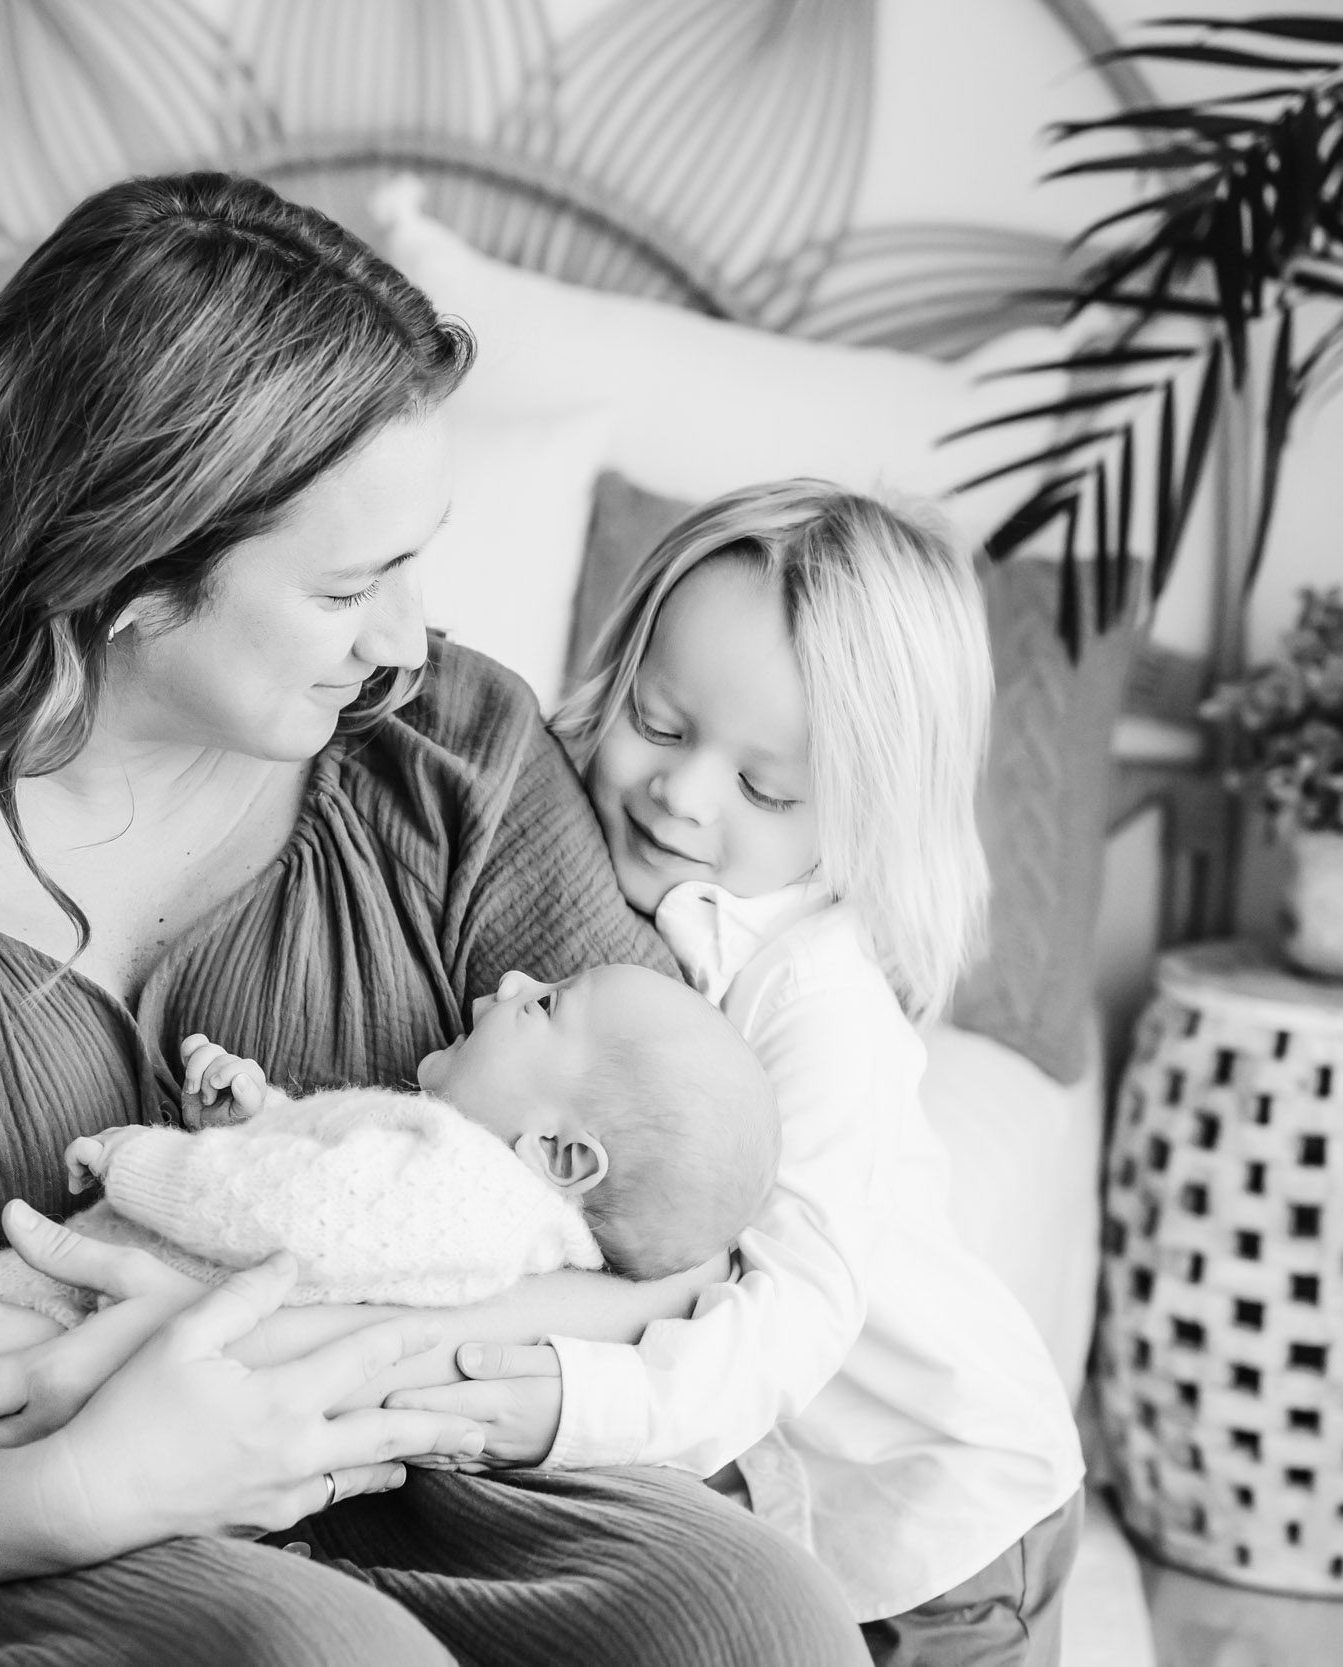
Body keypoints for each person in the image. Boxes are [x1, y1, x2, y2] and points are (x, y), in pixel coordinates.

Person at [0, 173, 867, 1667]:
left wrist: (227, 1357)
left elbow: (676, 1240)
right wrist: (82, 1477)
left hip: (385, 1456)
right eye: (346, 586)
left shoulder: (452, 753)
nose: (409, 637)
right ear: (125, 566)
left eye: (415, 561)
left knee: (764, 1620)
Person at [394, 482, 1086, 1667]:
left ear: (863, 818)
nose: (683, 792)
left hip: (948, 1511)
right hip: (807, 1493)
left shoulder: (818, 1001)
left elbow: (794, 1314)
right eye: (659, 724)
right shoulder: (579, 848)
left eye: (767, 788)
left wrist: (581, 1403)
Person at [0, 962, 780, 1421]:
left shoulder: (474, 1189)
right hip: (137, 1340)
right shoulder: (478, 1190)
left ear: (565, 1155)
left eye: (546, 1006)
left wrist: (141, 1158)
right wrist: (254, 1115)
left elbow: (276, 1217)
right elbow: (328, 1202)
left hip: (108, 1341)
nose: (515, 975)